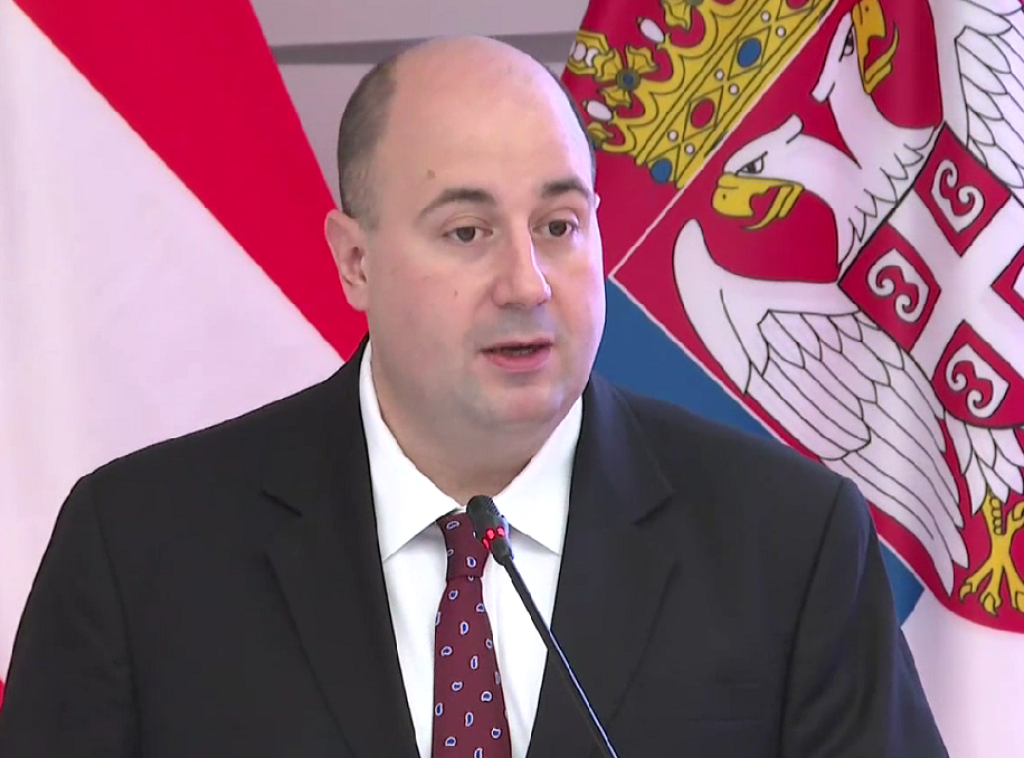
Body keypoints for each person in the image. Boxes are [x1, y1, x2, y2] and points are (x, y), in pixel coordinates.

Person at [0, 34, 947, 757]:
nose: (528, 283)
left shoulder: (789, 543)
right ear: (355, 261)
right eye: (467, 233)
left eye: (560, 226)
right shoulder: (140, 550)